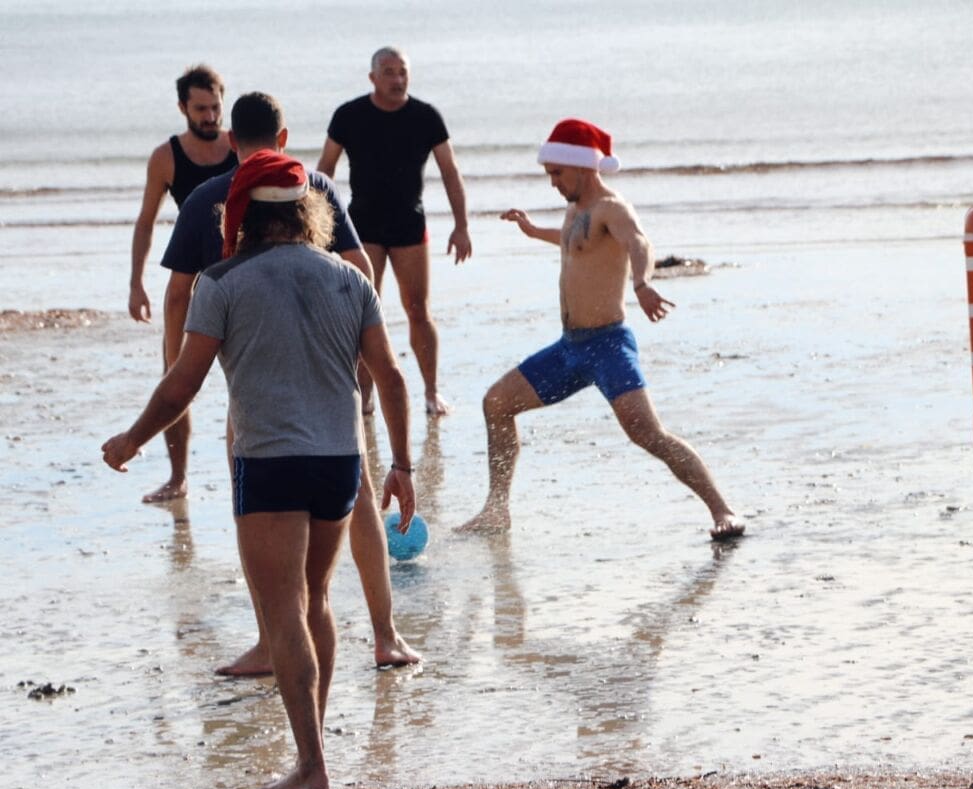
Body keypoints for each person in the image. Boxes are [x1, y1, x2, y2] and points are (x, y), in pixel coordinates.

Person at [104, 150, 415, 789]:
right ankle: (314, 750)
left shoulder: (221, 282)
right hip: (339, 463)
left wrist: (133, 438)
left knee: (282, 614)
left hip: (269, 464)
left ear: (241, 214)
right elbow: (391, 376)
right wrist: (403, 464)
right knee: (318, 602)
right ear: (310, 213)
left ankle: (311, 766)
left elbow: (181, 385)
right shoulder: (350, 279)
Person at [160, 91, 420, 673]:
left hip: (255, 389)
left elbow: (178, 294)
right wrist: (357, 344)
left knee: (256, 513)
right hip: (332, 379)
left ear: (231, 140)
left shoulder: (211, 198)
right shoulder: (316, 189)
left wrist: (177, 369)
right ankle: (385, 636)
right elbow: (362, 271)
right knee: (358, 500)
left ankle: (270, 640)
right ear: (283, 138)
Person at [456, 119, 744, 540]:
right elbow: (576, 241)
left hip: (608, 345)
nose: (552, 182)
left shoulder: (613, 208)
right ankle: (496, 510)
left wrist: (643, 283)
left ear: (582, 166)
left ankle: (723, 510)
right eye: (549, 174)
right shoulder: (576, 210)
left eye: (557, 172)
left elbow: (638, 243)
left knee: (648, 434)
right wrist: (535, 231)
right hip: (570, 347)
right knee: (497, 403)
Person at [317, 45, 472, 418]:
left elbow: (450, 171)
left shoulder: (425, 117)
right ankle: (363, 397)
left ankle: (432, 393)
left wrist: (462, 225)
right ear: (372, 78)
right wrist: (319, 231)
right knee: (362, 312)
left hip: (408, 225)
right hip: (362, 228)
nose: (397, 79)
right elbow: (324, 174)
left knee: (418, 310)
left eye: (402, 71)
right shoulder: (349, 115)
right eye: (388, 72)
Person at [130, 64, 238, 503]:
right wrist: (136, 283)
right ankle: (178, 477)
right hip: (189, 280)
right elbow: (146, 222)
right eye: (201, 109)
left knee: (246, 381)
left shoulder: (239, 146)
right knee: (175, 377)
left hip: (240, 272)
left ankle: (244, 475)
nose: (210, 116)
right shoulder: (166, 157)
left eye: (215, 107)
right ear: (182, 108)